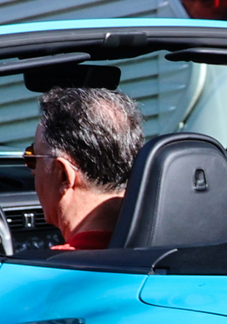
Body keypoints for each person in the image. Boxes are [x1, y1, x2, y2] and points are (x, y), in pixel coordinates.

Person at [29, 85, 144, 250]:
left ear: (63, 175)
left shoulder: (53, 270)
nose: (32, 171)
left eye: (33, 157)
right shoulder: (175, 251)